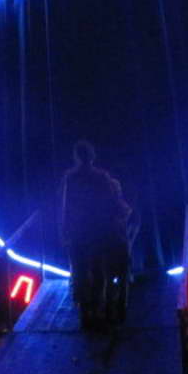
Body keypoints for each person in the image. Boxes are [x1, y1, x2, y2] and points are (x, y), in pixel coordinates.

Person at [59, 140, 132, 328]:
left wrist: (65, 228)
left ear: (76, 157)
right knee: (97, 271)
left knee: (80, 271)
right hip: (97, 230)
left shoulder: (71, 178)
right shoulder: (101, 178)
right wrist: (122, 214)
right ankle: (97, 310)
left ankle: (86, 312)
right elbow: (112, 202)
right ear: (92, 156)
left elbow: (66, 206)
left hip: (79, 231)